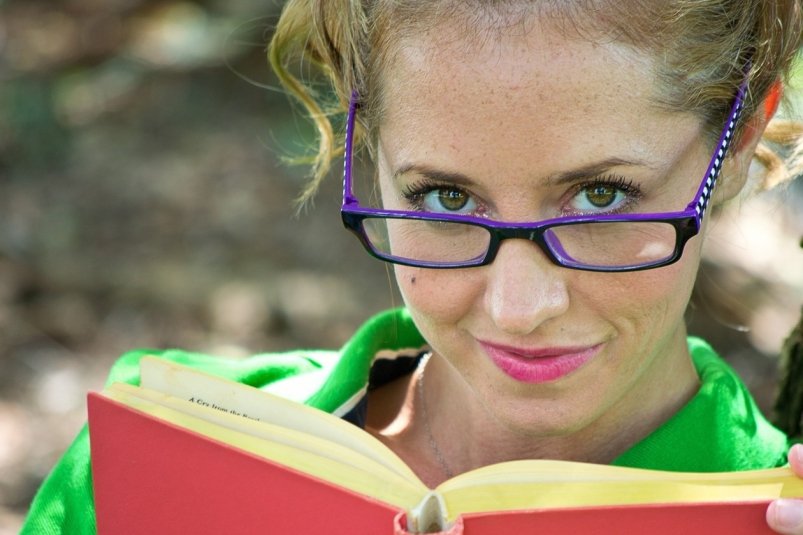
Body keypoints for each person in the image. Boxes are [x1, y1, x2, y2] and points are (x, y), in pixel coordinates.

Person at [21, 0, 803, 533]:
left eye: (601, 196)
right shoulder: (150, 463)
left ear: (738, 138)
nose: (518, 306)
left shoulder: (772, 510)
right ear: (366, 138)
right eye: (445, 198)